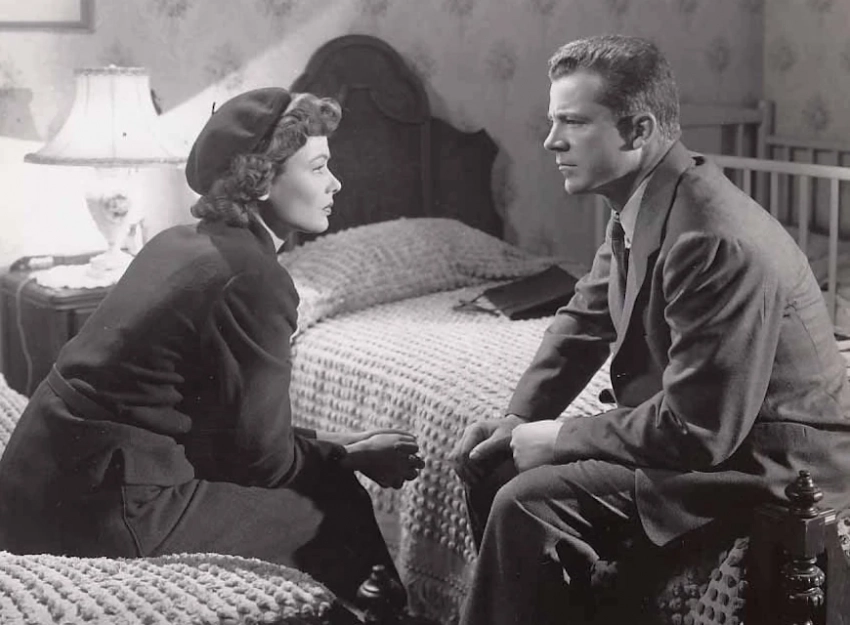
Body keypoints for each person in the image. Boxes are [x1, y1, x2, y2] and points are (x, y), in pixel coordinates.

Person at [451, 34, 850, 625]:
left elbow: (700, 429)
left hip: (771, 466)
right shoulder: (642, 203)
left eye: (573, 122)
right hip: (721, 438)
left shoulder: (710, 236)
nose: (551, 140)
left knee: (525, 504)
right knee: (493, 464)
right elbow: (583, 321)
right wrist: (517, 418)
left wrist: (559, 438)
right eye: (554, 121)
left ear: (638, 131)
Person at [0, 87, 425, 603]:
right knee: (332, 502)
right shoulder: (253, 278)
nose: (335, 183)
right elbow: (262, 462)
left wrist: (344, 444)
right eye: (318, 168)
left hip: (35, 487)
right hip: (106, 510)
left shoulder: (176, 241)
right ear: (261, 178)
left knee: (328, 481)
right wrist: (348, 456)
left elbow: (224, 426)